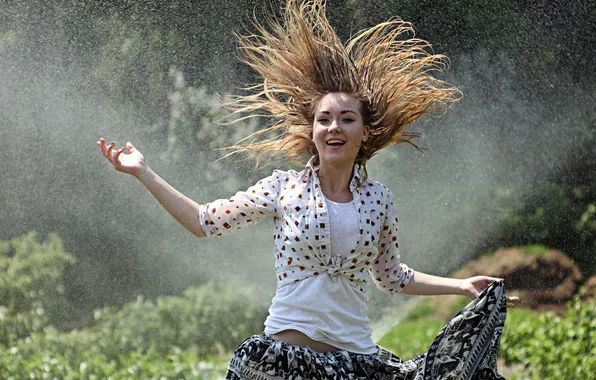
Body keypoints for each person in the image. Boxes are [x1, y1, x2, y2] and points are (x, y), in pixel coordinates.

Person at [98, 1, 520, 379]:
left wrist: (461, 286)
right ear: (313, 131)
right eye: (324, 119)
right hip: (283, 361)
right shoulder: (281, 189)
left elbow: (391, 277)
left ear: (364, 132)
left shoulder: (379, 200)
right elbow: (202, 221)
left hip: (356, 362)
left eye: (346, 119)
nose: (334, 127)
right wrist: (144, 172)